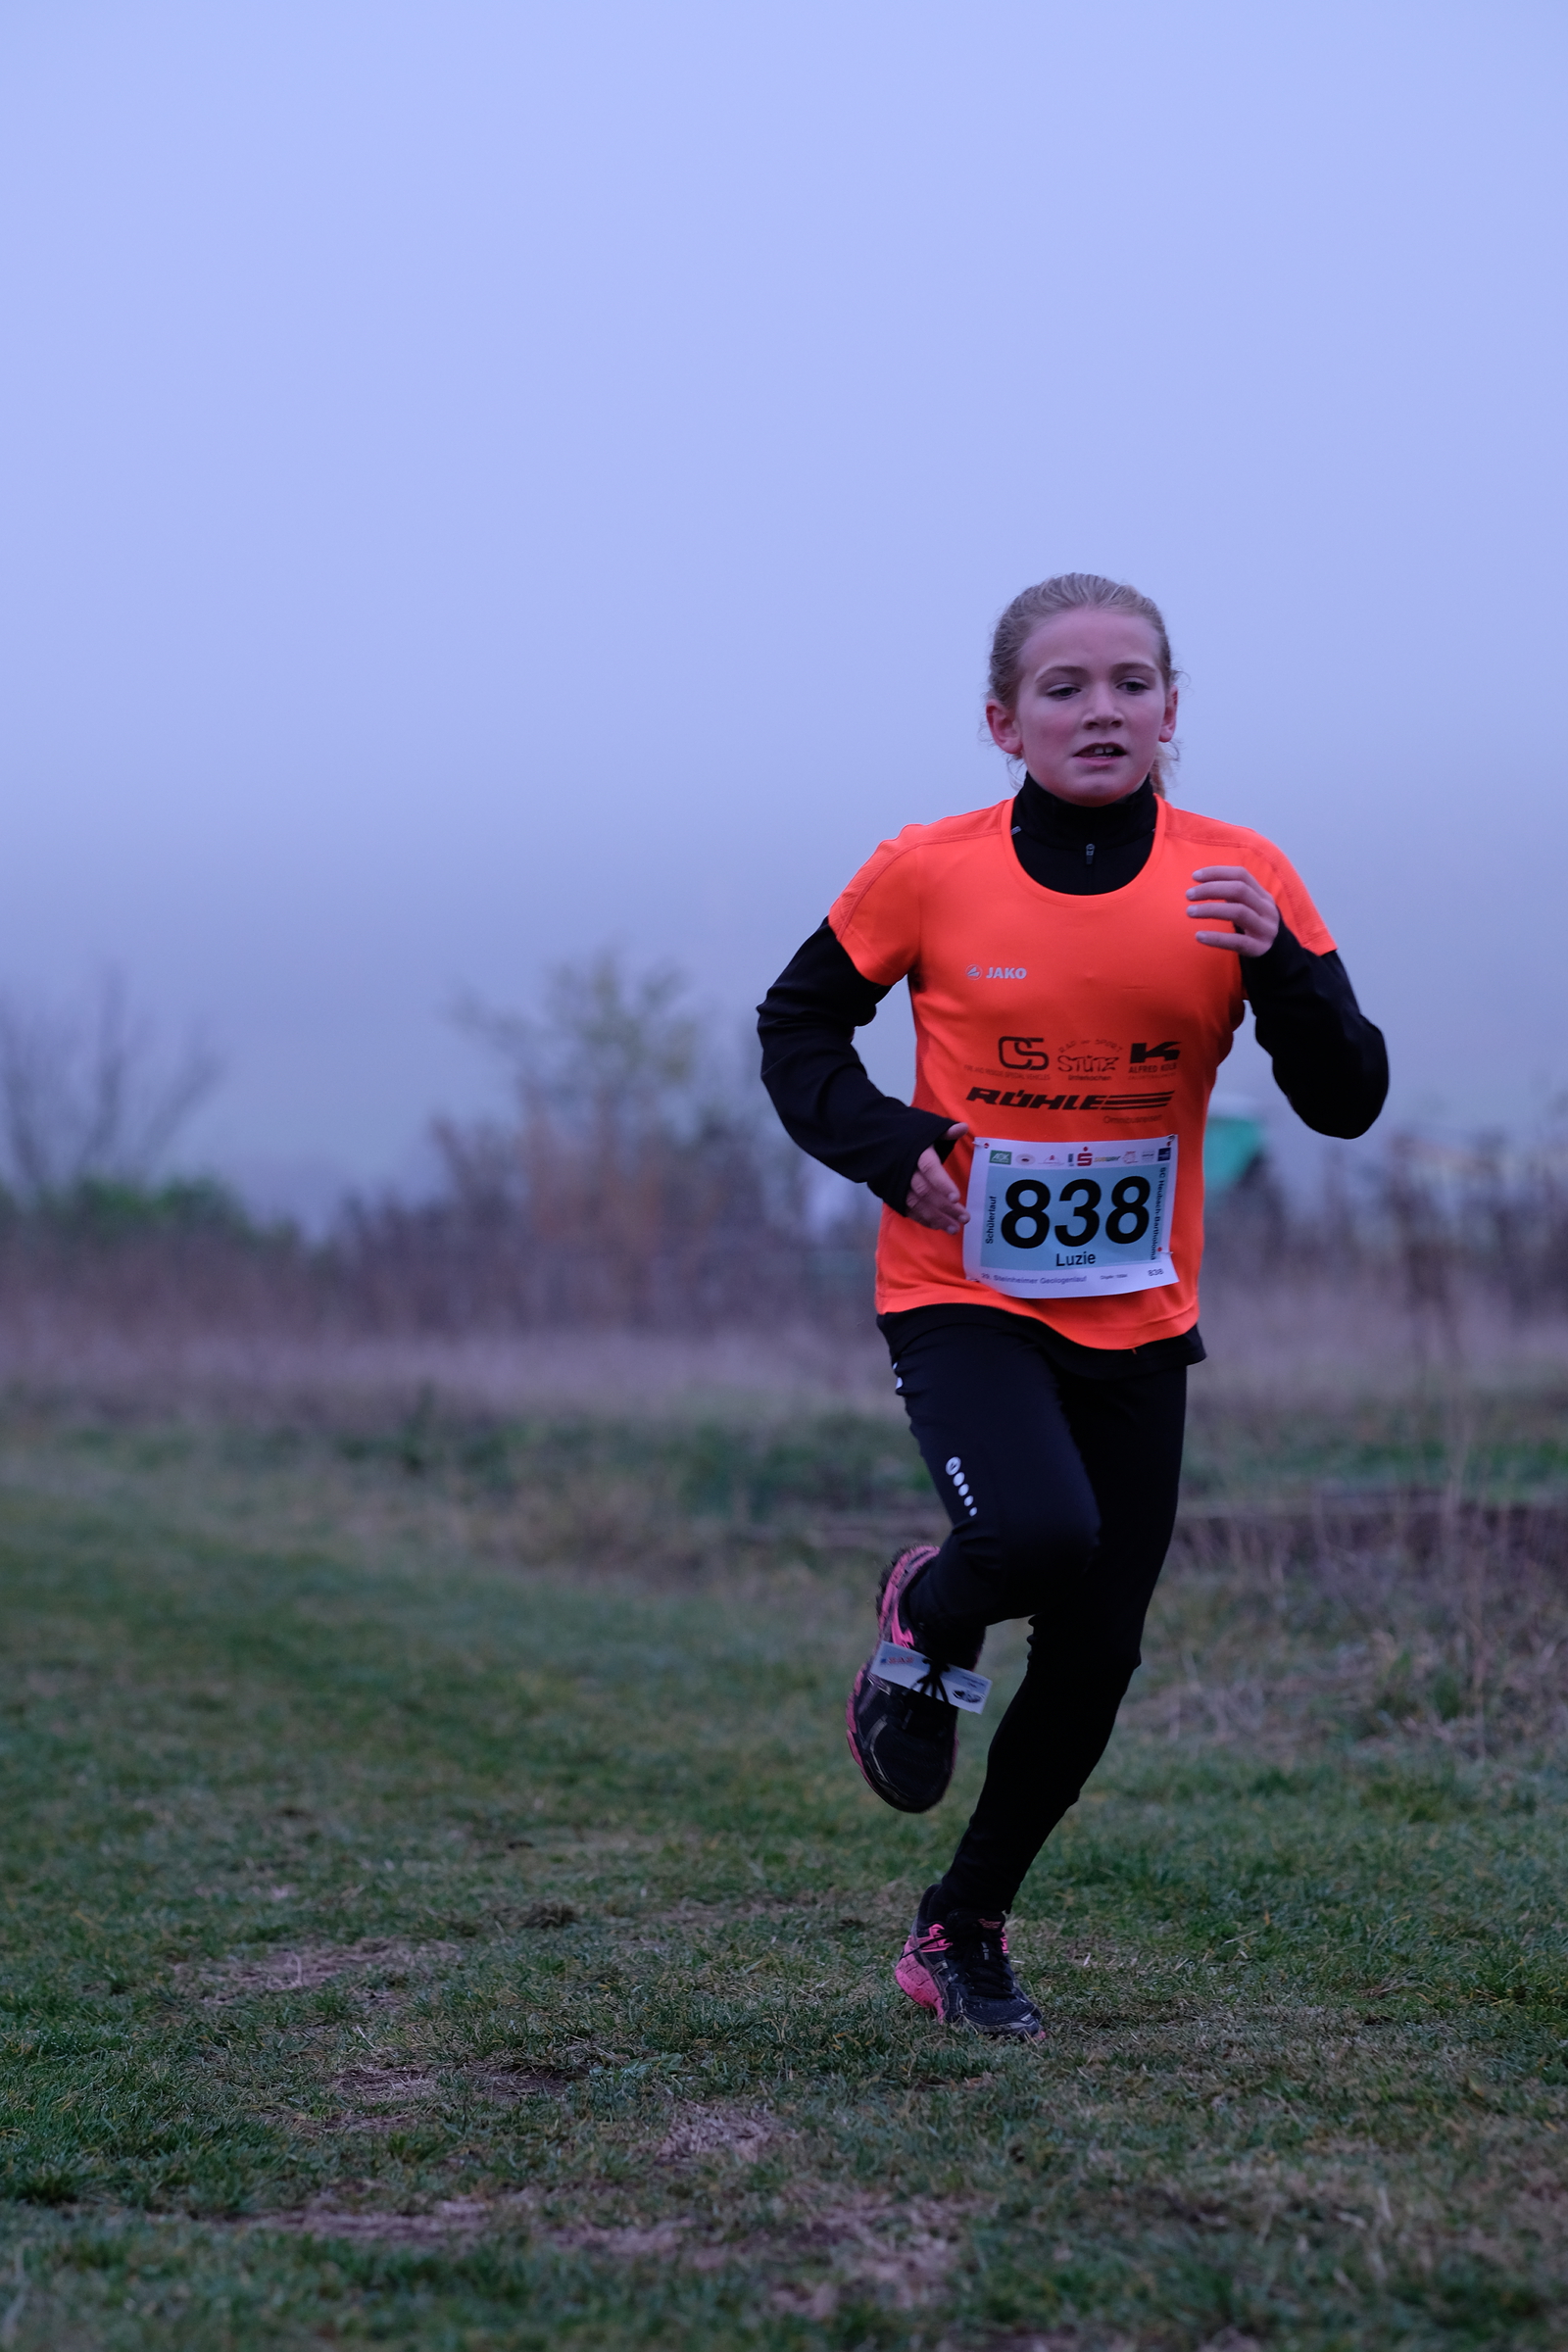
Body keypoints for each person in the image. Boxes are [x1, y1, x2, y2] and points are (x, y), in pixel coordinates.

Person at [757, 573, 1387, 2038]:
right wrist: (893, 1147)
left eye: (1131, 683)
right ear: (1004, 722)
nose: (1101, 710)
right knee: (1038, 1535)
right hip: (962, 1284)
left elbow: (1349, 1099)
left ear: (1171, 710)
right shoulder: (928, 870)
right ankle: (928, 1607)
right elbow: (798, 1028)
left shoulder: (1242, 875)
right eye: (1065, 687)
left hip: (1141, 1309)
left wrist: (1285, 972)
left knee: (1098, 1649)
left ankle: (961, 1926)